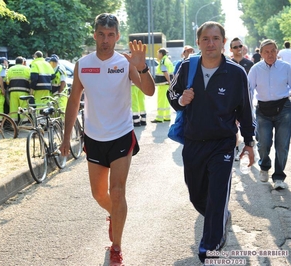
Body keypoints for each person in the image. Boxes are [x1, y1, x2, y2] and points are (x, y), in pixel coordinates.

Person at [59, 13, 155, 266]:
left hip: (121, 134)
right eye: (101, 34)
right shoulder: (83, 64)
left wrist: (142, 66)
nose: (106, 40)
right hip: (94, 136)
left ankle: (117, 247)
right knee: (98, 194)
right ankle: (116, 215)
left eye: (111, 35)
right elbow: (73, 102)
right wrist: (66, 137)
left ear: (118, 36)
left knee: (117, 191)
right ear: (94, 34)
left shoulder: (126, 63)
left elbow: (149, 90)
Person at [167, 21, 255, 264]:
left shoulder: (237, 73)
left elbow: (246, 110)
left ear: (223, 42)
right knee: (197, 196)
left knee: (217, 196)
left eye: (215, 38)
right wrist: (182, 100)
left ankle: (210, 249)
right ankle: (218, 217)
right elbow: (172, 96)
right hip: (193, 143)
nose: (210, 43)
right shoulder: (187, 67)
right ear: (198, 42)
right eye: (205, 38)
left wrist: (249, 142)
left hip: (222, 144)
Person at [248, 39, 291, 190]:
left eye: (273, 50)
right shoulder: (255, 69)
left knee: (282, 145)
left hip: (284, 109)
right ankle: (264, 166)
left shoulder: (286, 68)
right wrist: (247, 111)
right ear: (260, 53)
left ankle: (279, 176)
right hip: (263, 111)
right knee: (264, 143)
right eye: (266, 51)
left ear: (277, 51)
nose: (270, 54)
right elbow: (249, 90)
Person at [151, 48, 174, 123]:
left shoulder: (163, 61)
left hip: (163, 84)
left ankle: (159, 118)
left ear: (161, 53)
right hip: (167, 84)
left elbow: (165, 72)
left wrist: (169, 81)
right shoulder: (168, 60)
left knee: (161, 100)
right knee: (166, 100)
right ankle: (167, 116)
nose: (157, 55)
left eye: (158, 53)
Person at [6, 56, 31, 122]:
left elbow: (7, 80)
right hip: (24, 90)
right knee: (23, 107)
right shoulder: (27, 69)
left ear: (15, 62)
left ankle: (13, 123)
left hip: (13, 91)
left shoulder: (10, 69)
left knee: (13, 107)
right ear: (22, 62)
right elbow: (30, 80)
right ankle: (24, 122)